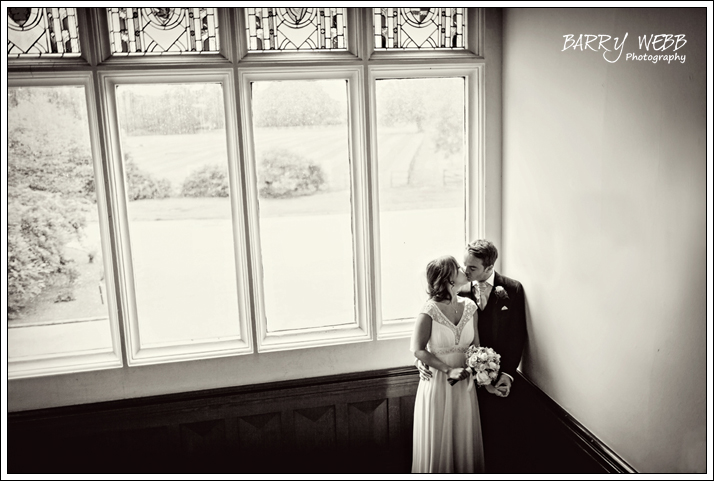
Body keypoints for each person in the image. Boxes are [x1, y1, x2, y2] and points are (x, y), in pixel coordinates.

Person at [417, 239, 527, 473]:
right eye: (464, 266)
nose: (466, 271)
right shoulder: (458, 288)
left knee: (486, 445)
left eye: (472, 268)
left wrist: (505, 373)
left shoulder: (512, 289)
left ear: (489, 268)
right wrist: (422, 359)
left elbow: (517, 337)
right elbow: (430, 333)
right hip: (453, 379)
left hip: (489, 378)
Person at [410, 255, 487, 473]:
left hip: (465, 385)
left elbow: (476, 345)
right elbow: (418, 349)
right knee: (438, 436)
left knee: (463, 435)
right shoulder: (429, 311)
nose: (464, 269)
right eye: (458, 268)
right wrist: (448, 369)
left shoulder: (470, 307)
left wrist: (481, 366)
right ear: (448, 279)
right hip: (438, 382)